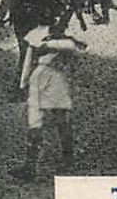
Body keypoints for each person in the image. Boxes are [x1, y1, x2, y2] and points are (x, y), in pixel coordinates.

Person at [10, 17, 86, 182]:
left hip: (47, 78)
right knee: (55, 119)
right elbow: (74, 54)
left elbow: (28, 61)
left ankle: (36, 165)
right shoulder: (64, 36)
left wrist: (23, 85)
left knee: (45, 120)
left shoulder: (38, 35)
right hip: (52, 77)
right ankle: (63, 159)